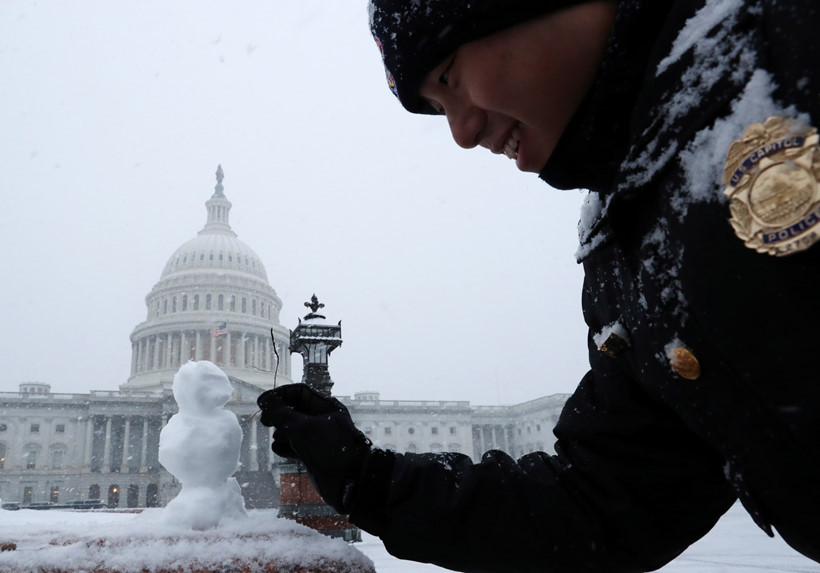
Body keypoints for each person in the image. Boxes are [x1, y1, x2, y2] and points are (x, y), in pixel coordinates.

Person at [258, 0, 820, 570]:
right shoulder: (621, 230)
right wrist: (364, 476)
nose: (461, 131)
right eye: (436, 108)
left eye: (449, 76)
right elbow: (601, 504)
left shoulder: (793, 44)